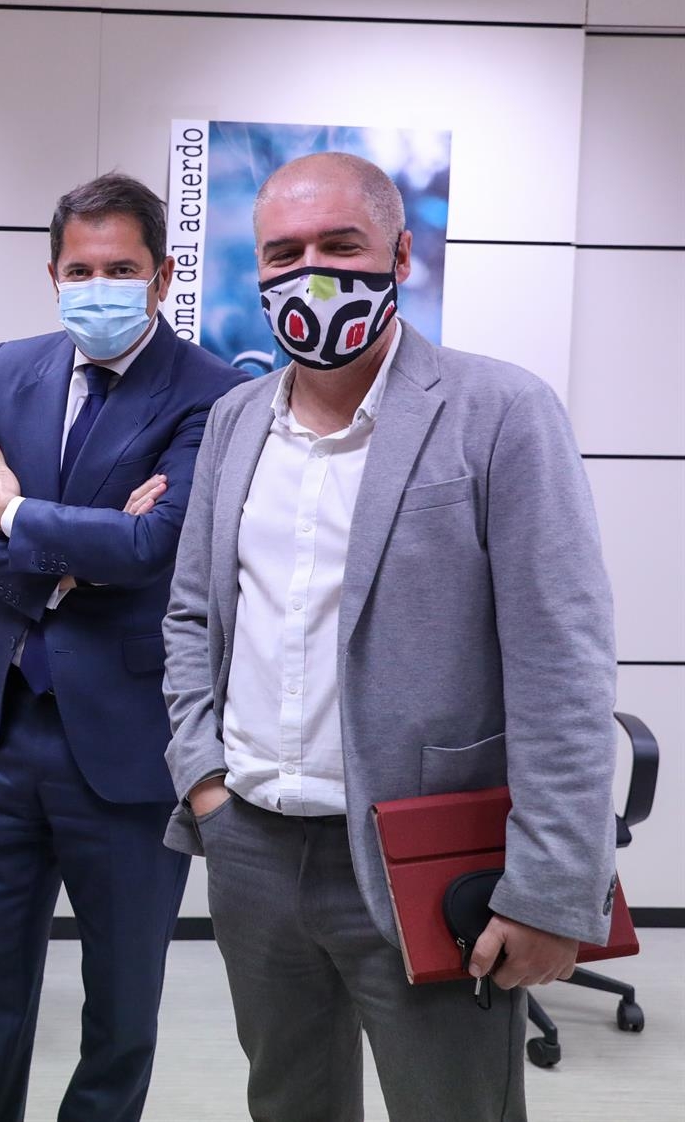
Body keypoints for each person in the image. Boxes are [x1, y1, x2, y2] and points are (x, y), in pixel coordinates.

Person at [163, 151, 619, 1122]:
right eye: (284, 253)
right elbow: (193, 612)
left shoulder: (501, 413)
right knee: (287, 1103)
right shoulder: (236, 419)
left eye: (341, 245)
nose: (311, 273)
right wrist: (203, 780)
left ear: (402, 256)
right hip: (251, 845)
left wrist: (551, 888)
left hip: (424, 853)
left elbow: (562, 665)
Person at [0, 172, 247, 1122]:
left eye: (121, 268)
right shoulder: (9, 368)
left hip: (130, 744)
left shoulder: (212, 393)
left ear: (162, 274)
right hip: (9, 722)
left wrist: (21, 513)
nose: (97, 285)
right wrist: (74, 555)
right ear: (52, 273)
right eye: (80, 268)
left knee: (119, 1009)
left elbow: (161, 545)